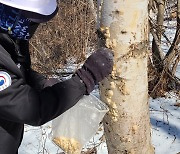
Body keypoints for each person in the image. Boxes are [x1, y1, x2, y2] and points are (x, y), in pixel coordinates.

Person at [0, 0, 113, 154]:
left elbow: (17, 70)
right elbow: (31, 109)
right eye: (28, 19)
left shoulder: (10, 37)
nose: (30, 27)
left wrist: (42, 83)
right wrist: (85, 79)